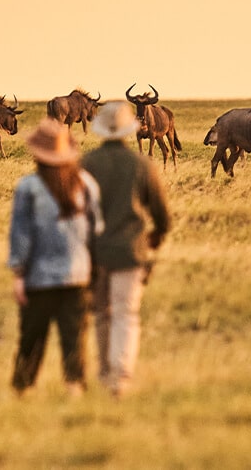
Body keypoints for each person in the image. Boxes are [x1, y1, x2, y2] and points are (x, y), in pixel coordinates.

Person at [7, 118, 103, 397]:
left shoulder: (28, 188)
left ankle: (22, 391)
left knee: (32, 338)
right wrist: (94, 270)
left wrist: (18, 274)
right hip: (78, 275)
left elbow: (21, 236)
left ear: (37, 153)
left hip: (39, 278)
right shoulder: (85, 184)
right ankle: (74, 390)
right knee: (74, 338)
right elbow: (97, 231)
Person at [81, 101, 171, 398]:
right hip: (131, 251)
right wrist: (157, 235)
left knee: (101, 313)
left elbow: (75, 212)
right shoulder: (141, 165)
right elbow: (161, 212)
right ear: (129, 129)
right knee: (126, 313)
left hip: (94, 253)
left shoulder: (85, 164)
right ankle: (120, 377)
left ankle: (105, 371)